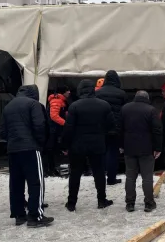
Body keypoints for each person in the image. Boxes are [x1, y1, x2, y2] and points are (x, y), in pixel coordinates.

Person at [1, 85, 52, 227]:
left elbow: (3, 131)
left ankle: (19, 215)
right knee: (36, 182)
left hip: (13, 149)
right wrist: (40, 143)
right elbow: (40, 125)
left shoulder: (8, 106)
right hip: (31, 148)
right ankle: (35, 216)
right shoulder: (34, 104)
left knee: (16, 183)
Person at [63, 79, 117, 211]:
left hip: (78, 145)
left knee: (75, 174)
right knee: (99, 173)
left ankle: (71, 203)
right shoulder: (104, 105)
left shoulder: (74, 106)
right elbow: (112, 126)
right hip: (97, 144)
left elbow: (68, 128)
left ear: (80, 90)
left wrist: (64, 145)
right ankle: (101, 200)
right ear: (93, 89)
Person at [121, 90, 162, 212]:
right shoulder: (151, 110)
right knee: (147, 177)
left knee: (130, 176)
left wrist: (121, 145)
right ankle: (149, 203)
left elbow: (119, 128)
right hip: (146, 148)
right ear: (147, 98)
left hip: (129, 147)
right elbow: (157, 130)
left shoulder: (125, 108)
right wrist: (158, 147)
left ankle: (130, 203)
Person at [95, 70, 126, 185]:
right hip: (115, 127)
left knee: (100, 153)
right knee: (112, 153)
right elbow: (123, 112)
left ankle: (99, 178)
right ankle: (111, 178)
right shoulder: (121, 93)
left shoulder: (98, 93)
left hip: (100, 128)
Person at [45, 85, 70, 177]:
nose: (69, 92)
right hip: (53, 129)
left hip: (54, 129)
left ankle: (51, 169)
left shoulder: (60, 100)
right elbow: (54, 116)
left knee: (53, 150)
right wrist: (65, 123)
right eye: (67, 90)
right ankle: (50, 169)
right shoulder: (56, 101)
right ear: (63, 92)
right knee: (51, 150)